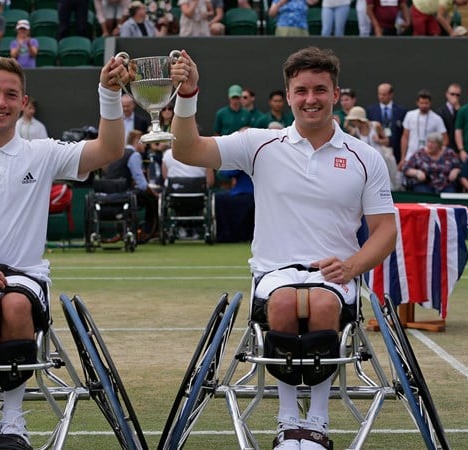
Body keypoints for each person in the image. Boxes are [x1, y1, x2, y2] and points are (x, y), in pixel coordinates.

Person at [169, 47, 397, 450]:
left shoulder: (365, 157)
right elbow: (186, 150)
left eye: (320, 90)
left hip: (334, 276)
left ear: (336, 93)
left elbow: (385, 231)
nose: (311, 99)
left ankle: (318, 423)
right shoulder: (259, 144)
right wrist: (187, 96)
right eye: (302, 90)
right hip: (274, 274)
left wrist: (351, 265)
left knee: (323, 306)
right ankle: (289, 421)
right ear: (289, 95)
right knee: (284, 304)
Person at [0, 55, 129, 450]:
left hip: (25, 276)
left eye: (11, 95)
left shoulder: (42, 152)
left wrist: (110, 93)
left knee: (13, 307)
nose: (1, 102)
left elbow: (110, 149)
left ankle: (13, 422)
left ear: (24, 102)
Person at [103, 129, 159, 241]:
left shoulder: (118, 153)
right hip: (123, 194)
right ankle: (148, 232)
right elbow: (142, 184)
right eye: (143, 143)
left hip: (108, 193)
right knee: (151, 199)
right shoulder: (134, 155)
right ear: (136, 141)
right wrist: (155, 194)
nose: (145, 147)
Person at [344, 106, 400, 191]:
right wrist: (347, 121)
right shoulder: (356, 130)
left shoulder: (376, 125)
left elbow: (387, 141)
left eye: (353, 120)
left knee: (386, 185)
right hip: (367, 161)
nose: (352, 122)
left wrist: (379, 141)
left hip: (381, 159)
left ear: (359, 120)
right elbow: (346, 126)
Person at [399, 89, 448, 166]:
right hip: (411, 156)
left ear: (430, 103)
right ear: (417, 103)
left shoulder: (437, 118)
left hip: (429, 158)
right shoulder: (410, 115)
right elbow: (405, 137)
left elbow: (445, 139)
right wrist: (403, 157)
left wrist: (437, 154)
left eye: (426, 103)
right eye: (421, 103)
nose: (424, 105)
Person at [366, 83, 407, 162]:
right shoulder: (371, 110)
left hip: (396, 151)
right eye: (379, 94)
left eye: (384, 95)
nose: (381, 97)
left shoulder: (401, 111)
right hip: (377, 150)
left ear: (391, 95)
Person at [435, 82, 462, 151]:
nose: (454, 97)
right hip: (445, 149)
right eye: (452, 94)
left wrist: (459, 111)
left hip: (458, 149)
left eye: (457, 95)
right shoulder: (440, 112)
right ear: (447, 94)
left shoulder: (462, 111)